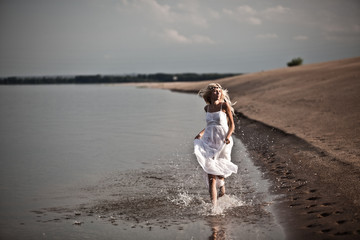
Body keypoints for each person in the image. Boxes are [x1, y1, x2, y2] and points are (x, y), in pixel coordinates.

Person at [194, 83, 238, 206]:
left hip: (223, 141)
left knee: (220, 170)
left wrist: (228, 137)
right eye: (215, 91)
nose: (218, 93)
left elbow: (232, 125)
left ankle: (222, 187)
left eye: (219, 91)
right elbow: (209, 126)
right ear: (210, 94)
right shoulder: (206, 108)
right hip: (209, 140)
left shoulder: (224, 105)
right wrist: (200, 134)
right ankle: (214, 207)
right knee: (211, 174)